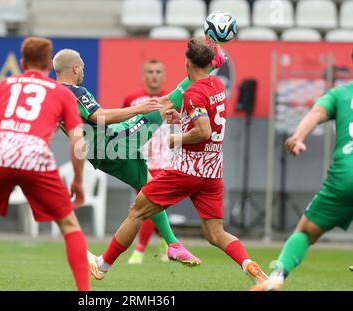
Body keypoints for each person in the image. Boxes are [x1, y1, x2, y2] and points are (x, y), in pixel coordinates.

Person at [87, 38, 269, 285]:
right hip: (213, 171)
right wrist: (180, 118)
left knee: (137, 211)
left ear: (187, 63)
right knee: (214, 233)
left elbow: (203, 130)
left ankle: (102, 265)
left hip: (187, 169)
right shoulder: (216, 85)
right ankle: (249, 266)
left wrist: (177, 138)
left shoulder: (193, 92)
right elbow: (208, 122)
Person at [0, 37, 90, 291]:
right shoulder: (62, 92)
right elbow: (78, 140)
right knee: (69, 225)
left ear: (23, 62)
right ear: (49, 65)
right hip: (35, 156)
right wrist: (78, 181)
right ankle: (84, 292)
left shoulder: (2, 86)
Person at [53, 49, 201, 269]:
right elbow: (100, 117)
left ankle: (171, 245)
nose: (83, 70)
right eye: (82, 66)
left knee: (148, 188)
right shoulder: (75, 92)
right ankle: (206, 67)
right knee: (164, 104)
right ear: (75, 68)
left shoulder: (54, 95)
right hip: (113, 141)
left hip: (100, 155)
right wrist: (138, 109)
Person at [250, 77, 353, 291]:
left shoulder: (341, 94)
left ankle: (277, 276)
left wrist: (298, 137)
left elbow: (316, 113)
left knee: (305, 232)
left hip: (346, 173)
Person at [123, 59, 171, 264]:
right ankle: (166, 242)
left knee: (150, 203)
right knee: (150, 207)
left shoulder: (172, 99)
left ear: (163, 75)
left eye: (158, 71)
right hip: (140, 160)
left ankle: (140, 249)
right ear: (144, 75)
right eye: (150, 71)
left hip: (165, 161)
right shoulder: (132, 99)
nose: (154, 75)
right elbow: (122, 123)